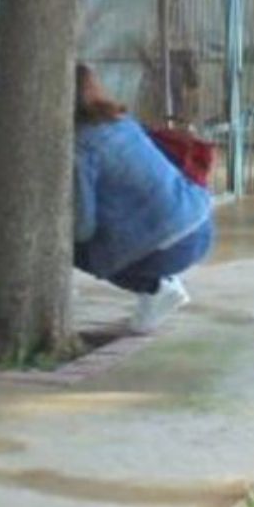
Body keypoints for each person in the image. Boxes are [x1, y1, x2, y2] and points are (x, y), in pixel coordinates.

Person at [73, 64, 215, 334]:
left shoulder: (79, 147)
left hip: (169, 246)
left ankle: (155, 288)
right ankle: (163, 285)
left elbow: (83, 228)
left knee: (72, 247)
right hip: (202, 223)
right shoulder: (121, 120)